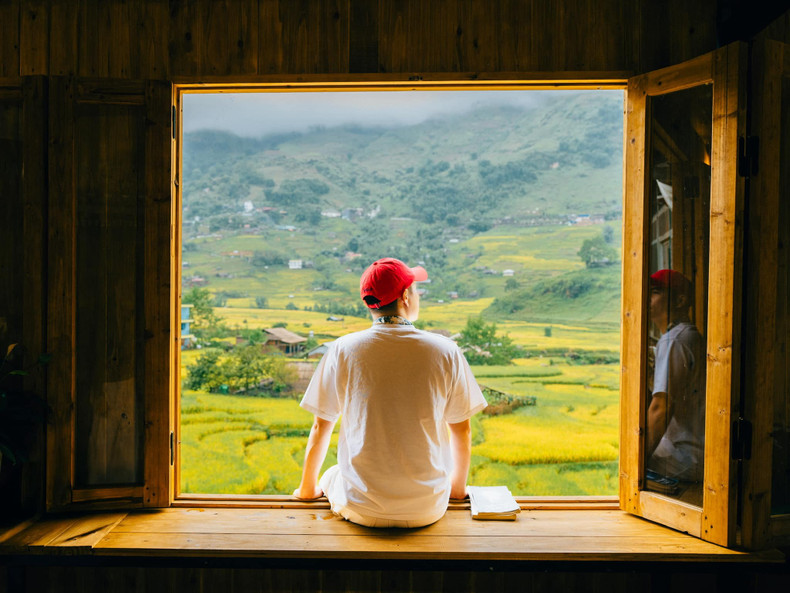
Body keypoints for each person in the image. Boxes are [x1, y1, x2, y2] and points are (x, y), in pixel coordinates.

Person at [293, 257, 487, 528]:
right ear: (405, 296)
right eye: (415, 290)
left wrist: (306, 491)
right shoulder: (446, 351)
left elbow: (320, 426)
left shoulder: (342, 349)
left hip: (360, 509)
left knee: (332, 474)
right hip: (427, 509)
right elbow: (462, 431)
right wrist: (456, 490)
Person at [645, 269, 706, 482]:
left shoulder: (675, 340)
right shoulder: (683, 335)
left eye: (655, 292)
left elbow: (661, 407)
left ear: (680, 301)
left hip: (686, 455)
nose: (646, 298)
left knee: (625, 463)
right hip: (691, 449)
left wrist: (637, 459)